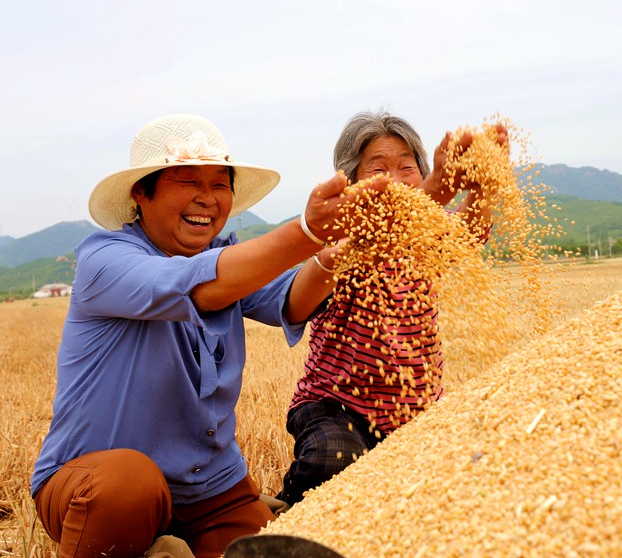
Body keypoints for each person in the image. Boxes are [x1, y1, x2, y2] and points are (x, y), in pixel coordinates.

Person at [30, 114, 385, 558]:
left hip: (210, 485)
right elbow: (203, 285)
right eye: (187, 181)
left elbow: (291, 299)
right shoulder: (105, 260)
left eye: (221, 184)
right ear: (142, 192)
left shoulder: (227, 257)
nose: (207, 199)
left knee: (279, 548)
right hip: (97, 483)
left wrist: (336, 252)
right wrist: (307, 232)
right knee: (127, 485)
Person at [276, 111, 503, 505]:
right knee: (335, 462)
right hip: (335, 405)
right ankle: (288, 515)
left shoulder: (429, 233)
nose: (396, 181)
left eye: (407, 168)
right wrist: (437, 187)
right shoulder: (342, 237)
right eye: (378, 169)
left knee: (473, 472)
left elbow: (469, 232)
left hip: (417, 406)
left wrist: (486, 183)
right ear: (351, 183)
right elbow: (382, 239)